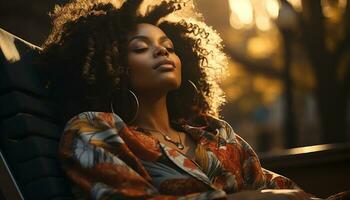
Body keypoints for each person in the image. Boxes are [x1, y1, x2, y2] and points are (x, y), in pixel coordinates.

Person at [39, 0, 348, 199]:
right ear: (111, 67)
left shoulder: (215, 133)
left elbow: (283, 191)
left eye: (168, 45)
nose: (162, 51)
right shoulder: (94, 129)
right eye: (140, 47)